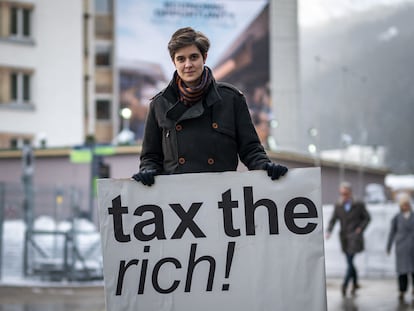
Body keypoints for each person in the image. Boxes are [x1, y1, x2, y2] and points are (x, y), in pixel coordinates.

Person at [132, 27, 288, 185]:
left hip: (221, 197)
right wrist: (147, 171)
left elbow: (250, 148)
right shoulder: (159, 104)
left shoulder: (231, 99)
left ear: (204, 57)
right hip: (177, 199)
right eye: (181, 59)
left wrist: (265, 166)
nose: (188, 65)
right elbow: (151, 156)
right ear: (174, 62)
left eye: (193, 57)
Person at [325, 181, 371, 297]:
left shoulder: (358, 204)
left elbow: (367, 218)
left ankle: (345, 284)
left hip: (355, 236)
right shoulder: (338, 205)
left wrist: (360, 228)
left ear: (350, 193)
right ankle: (355, 283)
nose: (344, 196)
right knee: (350, 261)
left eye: (345, 193)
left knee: (350, 261)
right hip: (344, 237)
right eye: (342, 193)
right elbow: (333, 219)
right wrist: (329, 231)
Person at [386, 193, 414, 302]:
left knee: (413, 270)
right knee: (402, 272)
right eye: (403, 205)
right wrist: (388, 246)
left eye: (407, 204)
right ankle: (402, 290)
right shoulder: (396, 218)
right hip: (401, 247)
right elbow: (392, 233)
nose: (405, 206)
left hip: (412, 247)